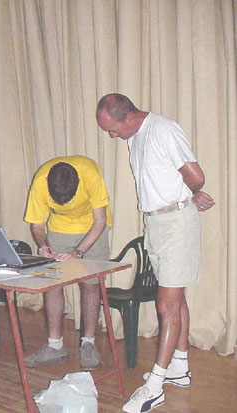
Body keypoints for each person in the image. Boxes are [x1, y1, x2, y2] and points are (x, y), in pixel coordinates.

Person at [96, 93, 214, 413]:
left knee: (166, 305)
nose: (111, 135)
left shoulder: (163, 129)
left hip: (176, 224)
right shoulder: (135, 137)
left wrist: (192, 193)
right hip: (157, 224)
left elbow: (196, 175)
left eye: (112, 129)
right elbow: (166, 176)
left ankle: (154, 387)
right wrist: (191, 194)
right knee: (175, 299)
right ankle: (179, 366)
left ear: (128, 117)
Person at [23, 155, 113, 370]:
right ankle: (55, 346)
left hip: (93, 228)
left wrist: (78, 253)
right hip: (60, 229)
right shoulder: (40, 181)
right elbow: (37, 226)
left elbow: (100, 221)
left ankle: (88, 344)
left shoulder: (90, 173)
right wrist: (43, 244)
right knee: (52, 285)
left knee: (91, 286)